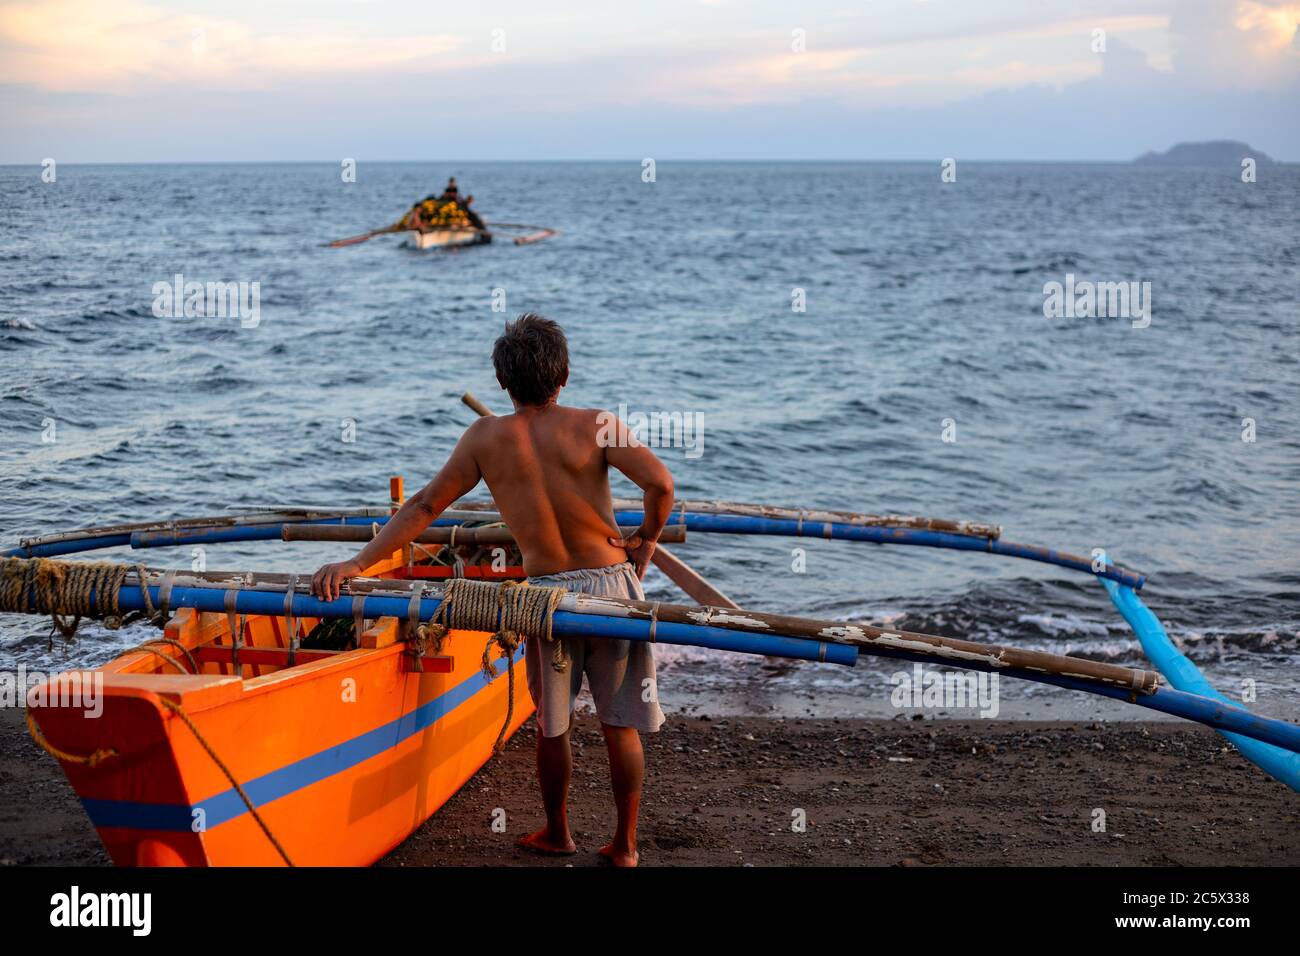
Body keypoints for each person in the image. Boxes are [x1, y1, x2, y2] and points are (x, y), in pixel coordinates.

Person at [310, 314, 673, 867]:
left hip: (546, 597)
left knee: (554, 727)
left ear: (502, 383)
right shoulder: (598, 425)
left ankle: (559, 833)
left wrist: (360, 560)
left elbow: (425, 506)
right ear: (565, 374)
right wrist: (644, 540)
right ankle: (625, 847)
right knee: (620, 725)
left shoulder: (484, 438)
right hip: (612, 587)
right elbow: (661, 484)